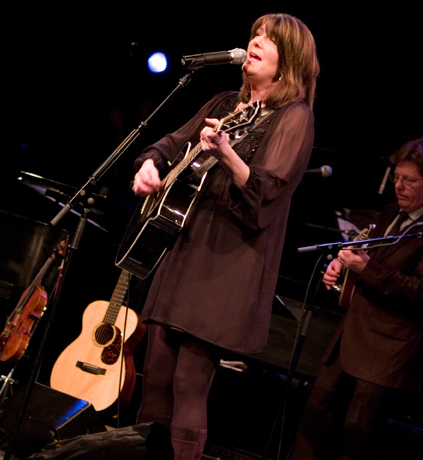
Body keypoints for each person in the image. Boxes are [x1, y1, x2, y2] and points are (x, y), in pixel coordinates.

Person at [129, 13, 319, 460]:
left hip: (230, 264)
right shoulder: (223, 102)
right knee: (155, 373)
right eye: (254, 35)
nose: (254, 42)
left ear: (288, 60)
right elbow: (171, 142)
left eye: (267, 40)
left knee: (188, 382)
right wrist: (150, 164)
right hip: (186, 250)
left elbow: (267, 194)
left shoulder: (295, 117)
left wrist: (229, 155)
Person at [290, 138, 423, 459]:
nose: (398, 186)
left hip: (387, 351)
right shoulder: (389, 213)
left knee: (356, 436)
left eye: (409, 180)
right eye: (397, 177)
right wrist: (341, 267)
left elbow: (421, 291)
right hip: (349, 337)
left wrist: (366, 268)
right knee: (313, 420)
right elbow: (367, 258)